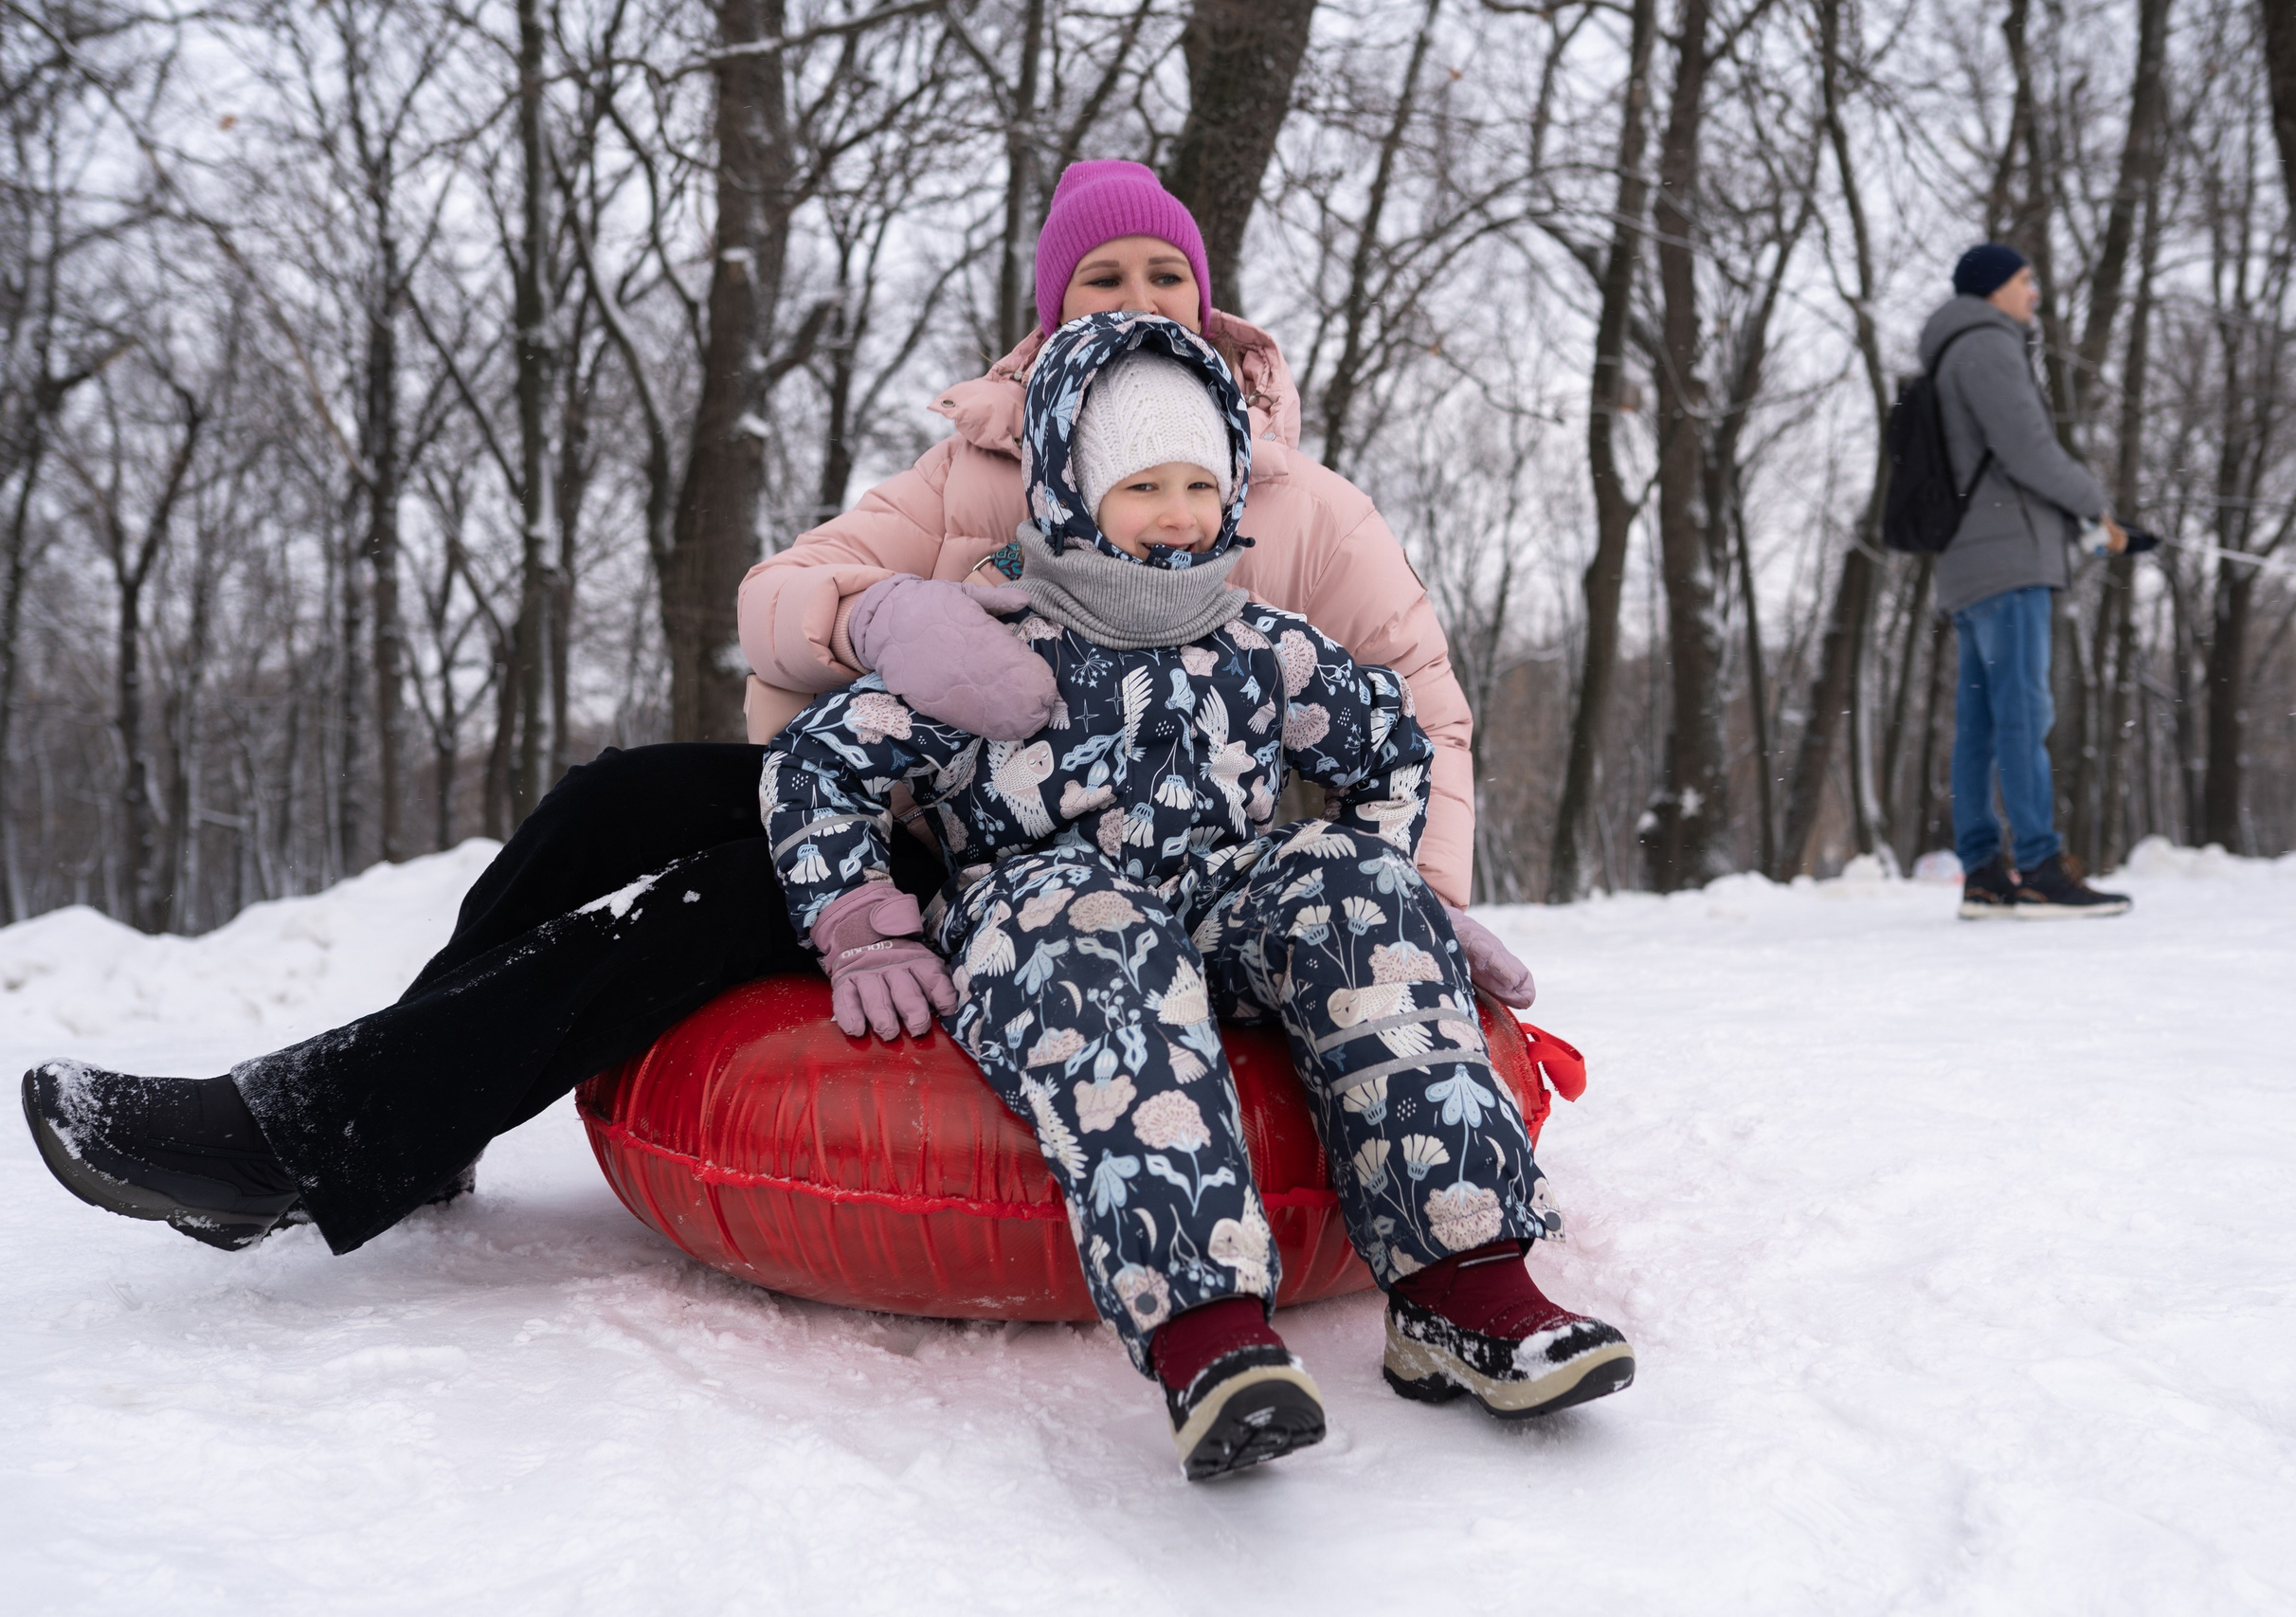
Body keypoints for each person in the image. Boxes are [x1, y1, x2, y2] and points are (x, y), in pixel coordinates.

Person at [18, 167, 1538, 1257]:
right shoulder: (971, 467)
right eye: (1102, 277)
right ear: (1048, 305)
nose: (1138, 300)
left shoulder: (1293, 503)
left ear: (1206, 301)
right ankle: (415, 1109)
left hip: (1086, 877)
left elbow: (1421, 712)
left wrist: (1420, 899)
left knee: (704, 904)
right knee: (614, 796)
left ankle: (295, 1135)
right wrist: (876, 612)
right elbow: (775, 596)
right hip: (902, 796)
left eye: (1164, 276)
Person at [766, 311, 1631, 1481]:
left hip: (1219, 895)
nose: (1176, 512)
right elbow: (815, 765)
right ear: (1070, 488)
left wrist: (1389, 880)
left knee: (1342, 879)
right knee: (1088, 918)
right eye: (1142, 485)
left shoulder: (1260, 644)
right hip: (1044, 907)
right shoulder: (998, 634)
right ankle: (1208, 1333)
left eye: (1197, 482)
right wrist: (862, 924)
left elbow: (1391, 745)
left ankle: (1467, 1287)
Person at [1923, 243, 2132, 919]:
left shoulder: (1947, 351)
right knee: (2021, 716)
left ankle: (1984, 874)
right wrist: (2094, 506)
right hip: (2008, 562)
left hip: (1969, 563)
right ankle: (2041, 867)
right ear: (1993, 288)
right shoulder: (1987, 343)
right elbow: (2027, 450)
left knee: (1981, 726)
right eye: (2024, 279)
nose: (2034, 292)